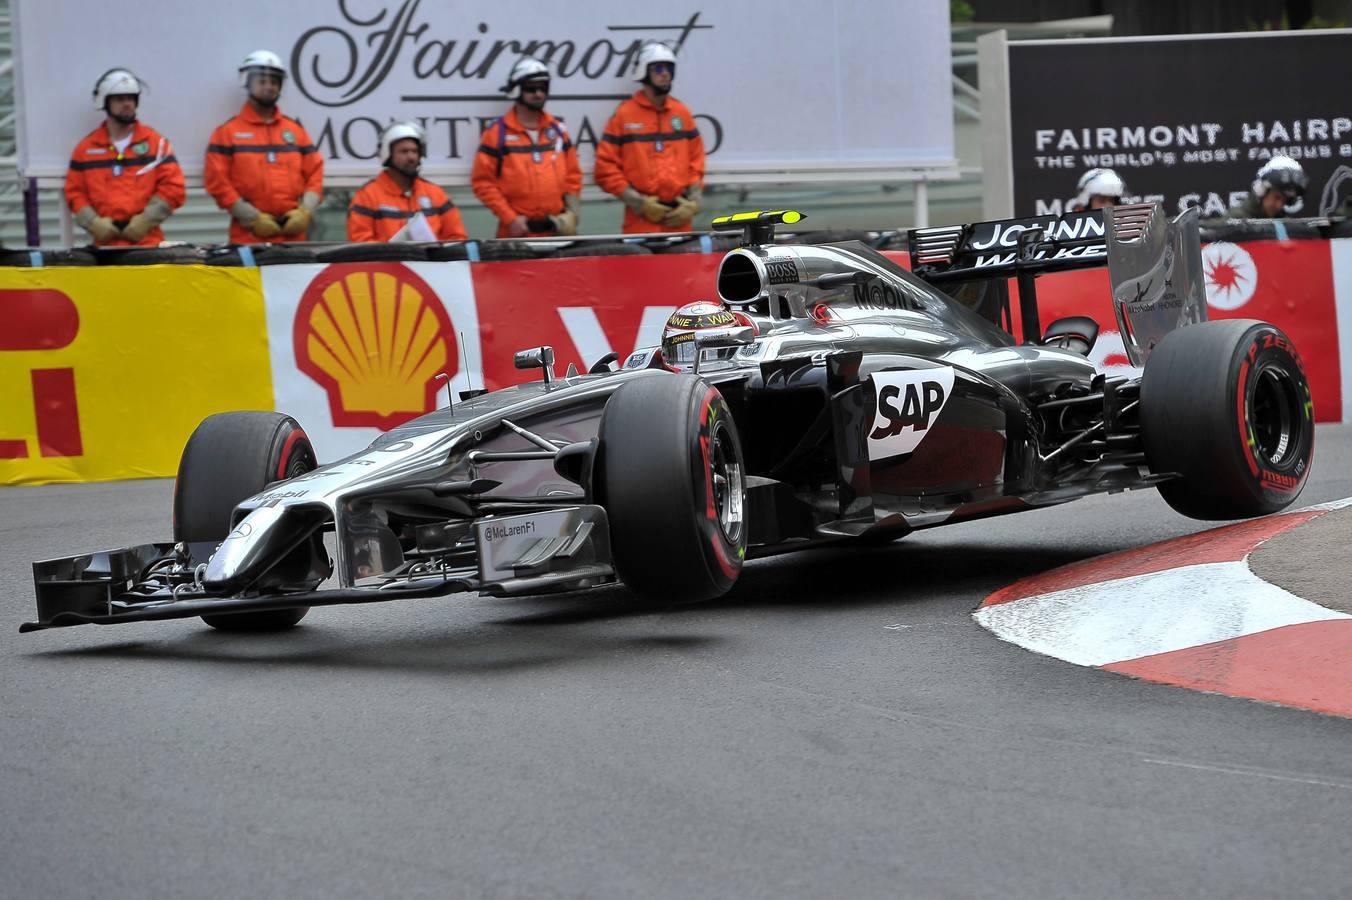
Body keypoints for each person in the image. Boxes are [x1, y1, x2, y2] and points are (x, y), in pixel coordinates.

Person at [205, 50, 323, 243]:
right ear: (248, 83)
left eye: (274, 82)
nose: (269, 87)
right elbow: (217, 182)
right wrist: (251, 218)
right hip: (249, 235)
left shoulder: (295, 131)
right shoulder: (227, 133)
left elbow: (315, 173)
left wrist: (306, 212)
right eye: (262, 82)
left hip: (293, 234)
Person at [65, 69, 186, 247]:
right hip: (105, 247)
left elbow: (174, 189)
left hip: (147, 245)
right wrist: (93, 223)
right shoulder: (86, 149)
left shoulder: (157, 145)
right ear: (105, 103)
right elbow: (74, 192)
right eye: (119, 99)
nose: (127, 104)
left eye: (131, 98)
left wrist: (146, 220)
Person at [594, 41, 705, 234]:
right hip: (640, 223)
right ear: (643, 72)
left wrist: (693, 202)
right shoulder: (625, 115)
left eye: (669, 68)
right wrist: (639, 203)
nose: (665, 73)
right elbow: (605, 168)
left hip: (679, 220)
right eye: (659, 68)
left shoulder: (681, 113)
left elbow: (697, 161)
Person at [471, 57, 582, 238]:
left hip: (556, 233)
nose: (538, 94)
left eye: (543, 88)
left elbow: (573, 177)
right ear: (517, 90)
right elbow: (483, 183)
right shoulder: (497, 134)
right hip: (515, 234)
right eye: (531, 88)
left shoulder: (559, 132)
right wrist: (510, 218)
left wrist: (572, 214)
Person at [348, 121, 467, 242]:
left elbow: (457, 239)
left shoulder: (436, 194)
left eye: (414, 151)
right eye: (404, 151)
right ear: (388, 155)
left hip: (431, 261)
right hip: (387, 261)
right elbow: (360, 243)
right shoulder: (367, 196)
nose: (411, 157)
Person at [1228, 156, 1307, 218]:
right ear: (1261, 190)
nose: (1279, 205)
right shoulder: (1235, 221)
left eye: (1285, 201)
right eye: (1277, 197)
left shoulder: (1286, 226)